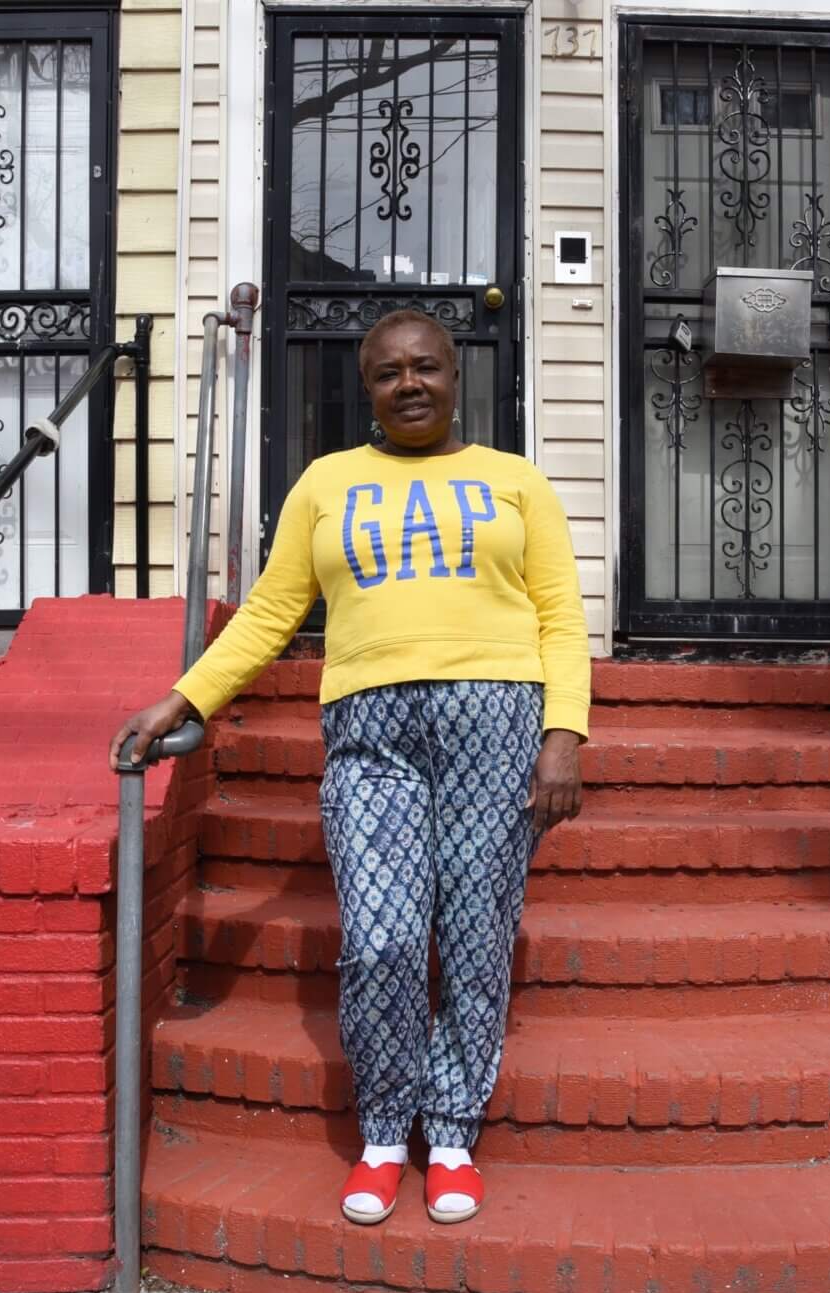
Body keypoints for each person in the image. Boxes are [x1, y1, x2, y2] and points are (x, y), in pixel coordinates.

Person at [112, 308, 590, 1227]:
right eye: (387, 374)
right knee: (382, 937)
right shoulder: (328, 484)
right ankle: (383, 1132)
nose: (409, 385)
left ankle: (448, 1133)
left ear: (457, 377)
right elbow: (268, 613)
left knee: (479, 931)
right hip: (369, 727)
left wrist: (563, 735)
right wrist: (187, 698)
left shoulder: (516, 482)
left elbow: (562, 617)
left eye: (426, 369)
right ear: (366, 389)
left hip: (498, 718)